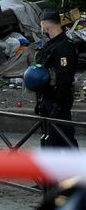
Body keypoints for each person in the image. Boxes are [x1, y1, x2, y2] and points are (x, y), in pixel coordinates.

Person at [35, 9, 79, 147]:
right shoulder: (52, 44)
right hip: (48, 97)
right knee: (48, 139)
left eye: (41, 24)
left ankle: (77, 167)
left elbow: (64, 77)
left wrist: (58, 103)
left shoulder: (64, 46)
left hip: (58, 99)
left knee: (65, 138)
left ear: (46, 25)